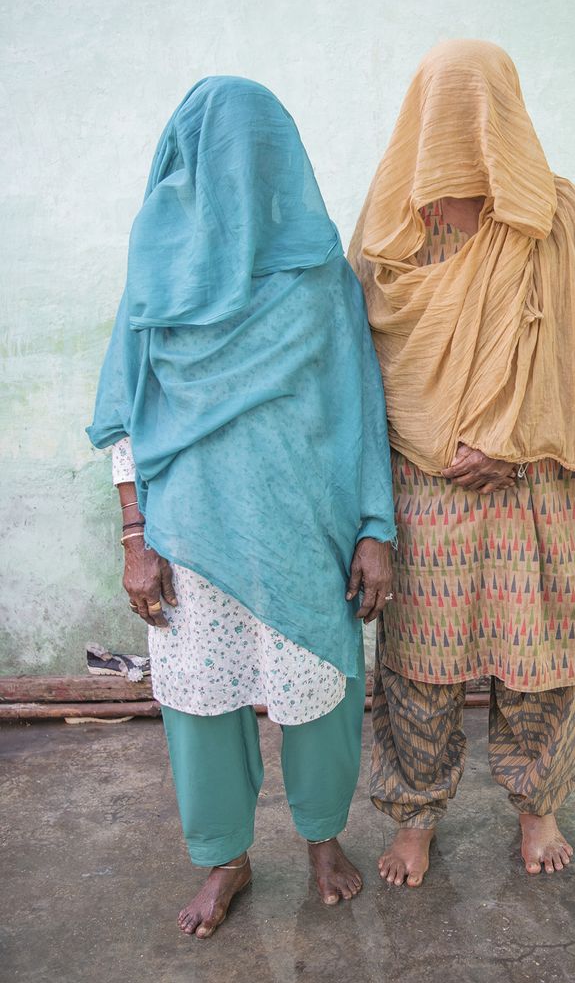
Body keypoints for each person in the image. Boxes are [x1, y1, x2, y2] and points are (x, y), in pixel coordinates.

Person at [87, 77, 396, 936]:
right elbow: (125, 413)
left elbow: (361, 404)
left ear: (278, 160)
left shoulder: (321, 272)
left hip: (306, 528)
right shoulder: (156, 269)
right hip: (188, 535)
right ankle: (225, 858)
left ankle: (323, 838)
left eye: (253, 157)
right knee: (199, 704)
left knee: (320, 692)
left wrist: (375, 528)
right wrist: (135, 536)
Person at [348, 40, 575, 886]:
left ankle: (538, 806)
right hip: (424, 477)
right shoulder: (393, 226)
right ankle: (415, 816)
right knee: (418, 666)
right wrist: (440, 439)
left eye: (478, 109)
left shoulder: (557, 213)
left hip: (537, 475)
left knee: (543, 662)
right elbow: (366, 360)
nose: (462, 127)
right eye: (447, 109)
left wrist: (511, 437)